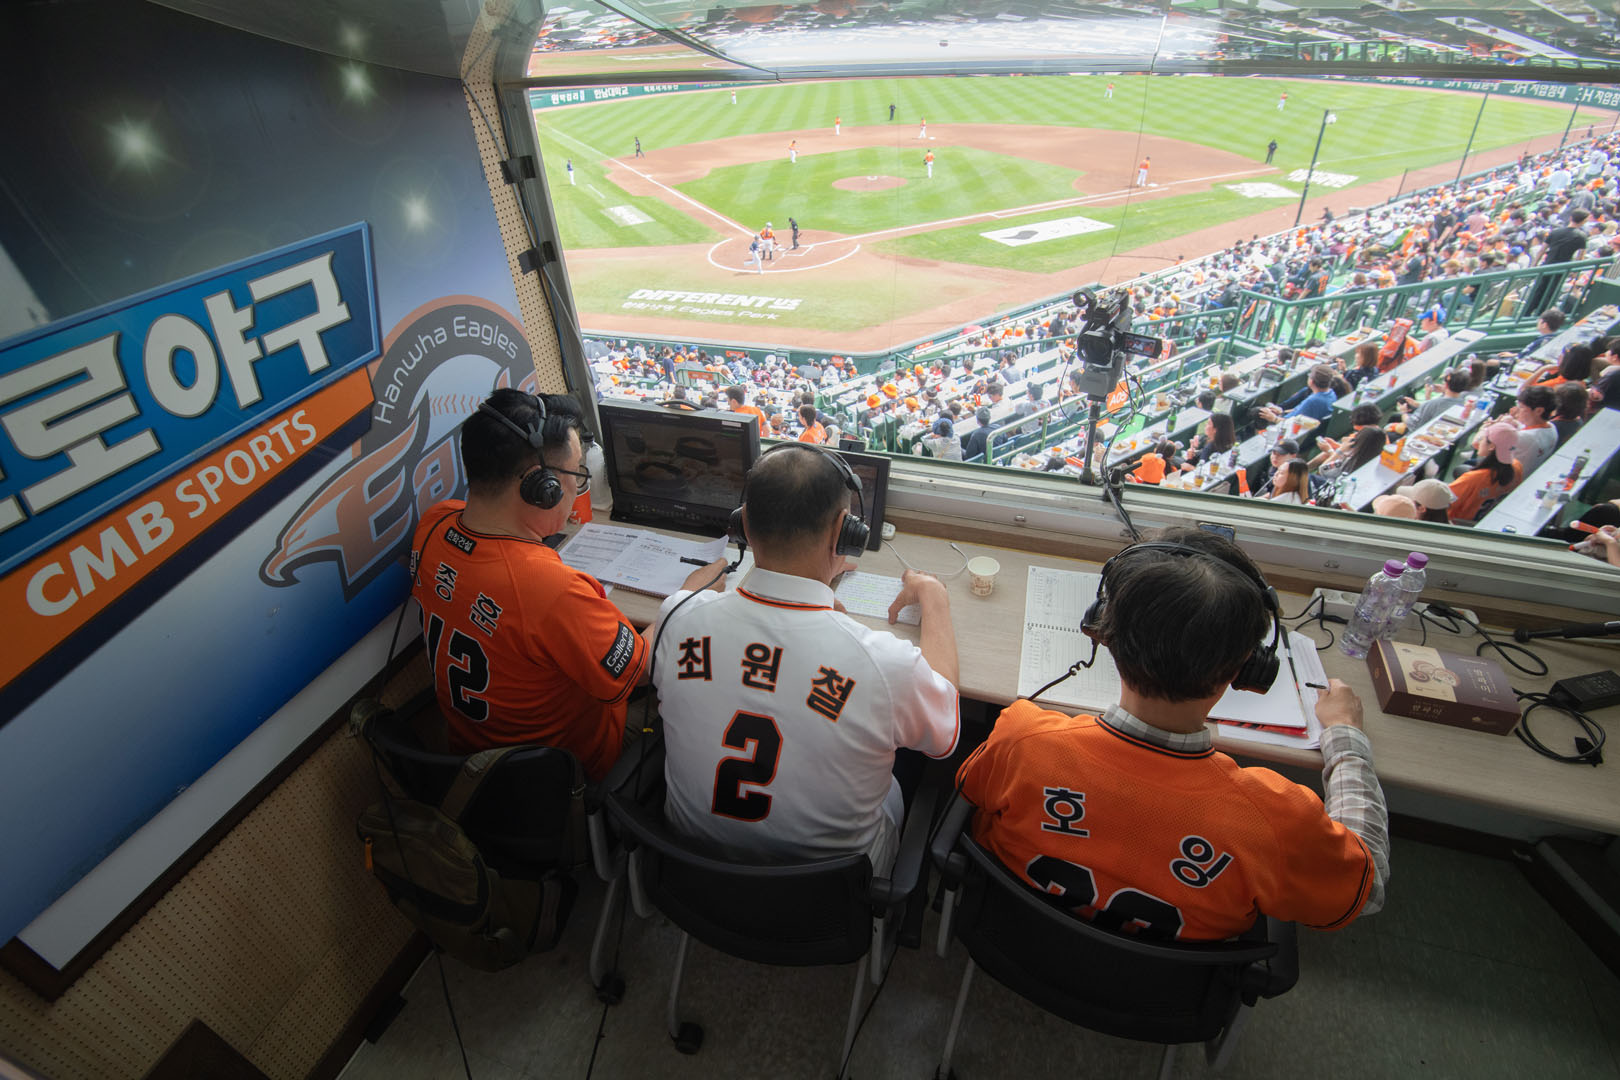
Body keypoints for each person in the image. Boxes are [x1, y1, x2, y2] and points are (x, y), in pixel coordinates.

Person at [955, 527, 1388, 941]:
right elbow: (1367, 890)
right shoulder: (1276, 820)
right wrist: (1346, 739)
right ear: (1247, 669)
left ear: (1103, 630)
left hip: (1010, 936)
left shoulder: (1022, 739)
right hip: (1163, 989)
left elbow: (974, 793)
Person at [651, 445, 961, 872]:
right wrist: (935, 596)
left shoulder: (676, 617)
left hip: (689, 870)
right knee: (905, 756)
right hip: (828, 896)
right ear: (844, 533)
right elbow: (945, 730)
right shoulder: (886, 665)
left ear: (743, 524)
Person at [411, 390, 714, 779]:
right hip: (565, 776)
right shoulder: (551, 590)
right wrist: (688, 596)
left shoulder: (434, 522)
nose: (577, 489)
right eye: (576, 474)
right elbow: (638, 669)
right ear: (542, 488)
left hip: (476, 761)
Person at [1449, 423, 1523, 523]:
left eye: (1482, 438)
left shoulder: (1473, 478)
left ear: (1491, 446)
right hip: (1485, 522)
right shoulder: (1517, 466)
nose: (1480, 441)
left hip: (1456, 524)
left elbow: (1443, 505)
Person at [1259, 364, 1337, 425]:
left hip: (1288, 427)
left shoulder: (1313, 400)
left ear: (1311, 381)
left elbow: (1289, 424)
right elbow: (1302, 411)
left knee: (1257, 412)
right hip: (1290, 419)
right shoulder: (1331, 394)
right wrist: (1282, 412)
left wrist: (1274, 418)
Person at [1507, 385, 1558, 474]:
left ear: (1539, 411)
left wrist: (1497, 426)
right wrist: (1516, 424)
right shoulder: (1551, 427)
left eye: (1521, 407)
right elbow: (1530, 431)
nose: (1517, 410)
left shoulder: (1525, 437)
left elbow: (1487, 449)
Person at [1399, 369, 1469, 429]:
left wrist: (1403, 412)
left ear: (1446, 385)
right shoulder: (1465, 404)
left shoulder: (1432, 404)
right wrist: (1418, 404)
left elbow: (1411, 424)